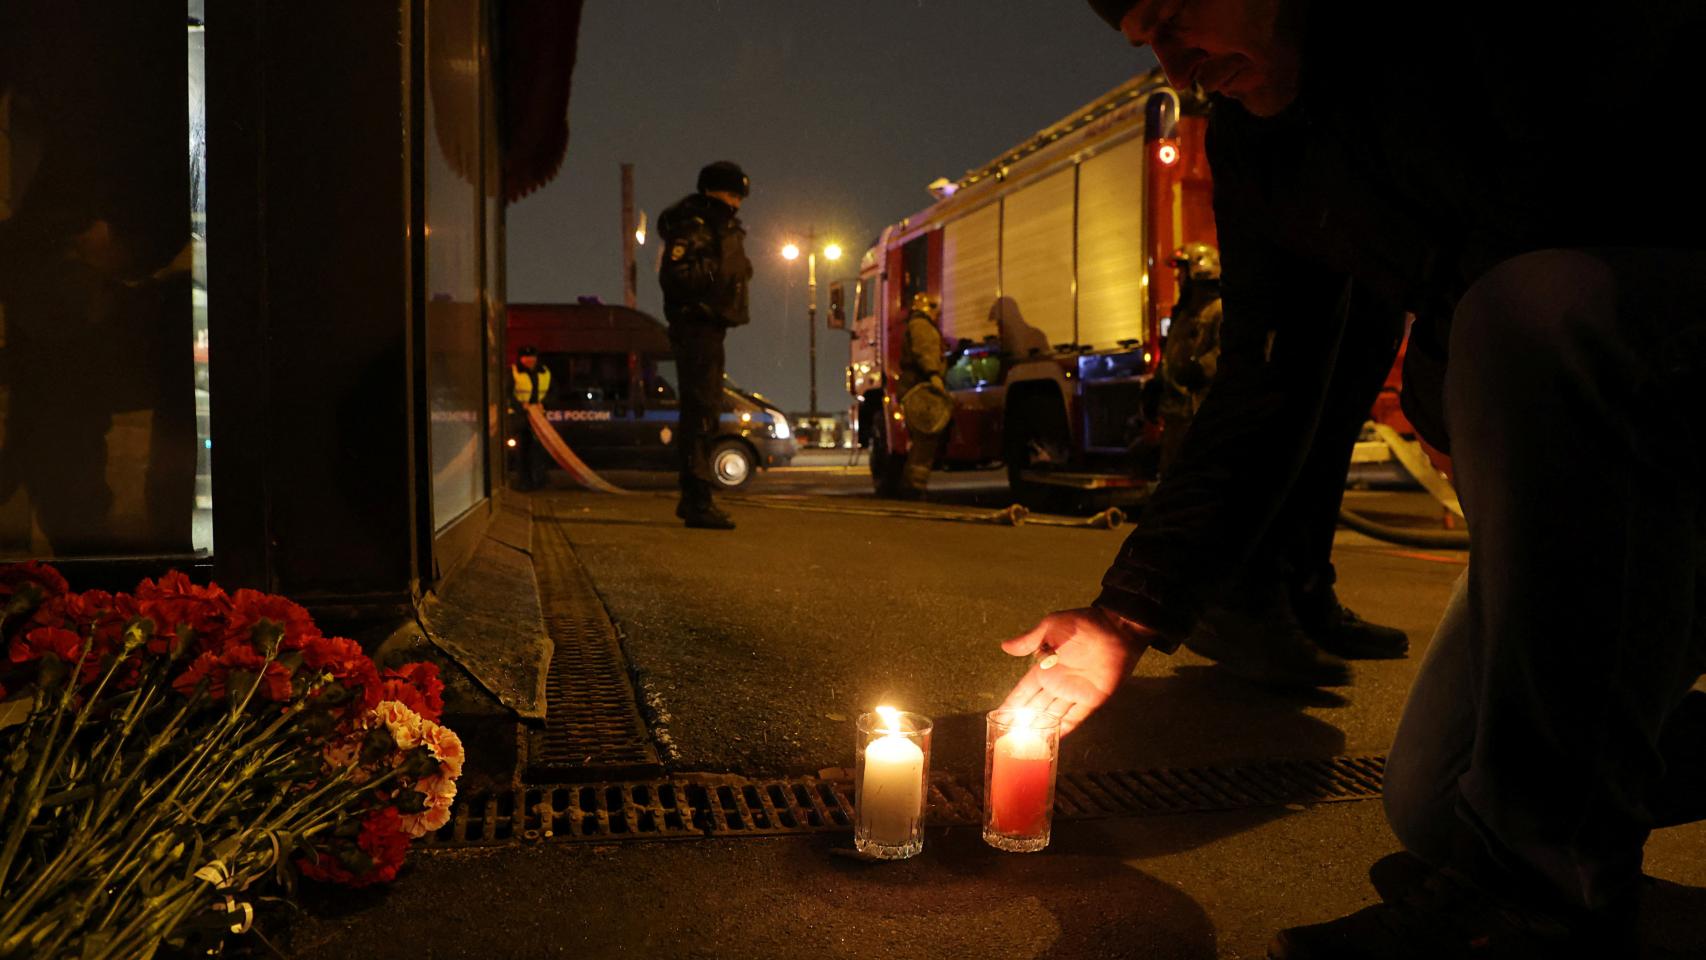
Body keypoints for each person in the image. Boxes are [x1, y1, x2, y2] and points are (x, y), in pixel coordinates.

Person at [1000, 1, 1706, 956]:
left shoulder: (1467, 34)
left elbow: (1574, 211)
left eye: (1178, 13)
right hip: (1578, 473)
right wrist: (1125, 617)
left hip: (1661, 381)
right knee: (1438, 799)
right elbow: (1264, 386)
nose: (1176, 62)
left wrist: (1464, 371)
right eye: (1145, 40)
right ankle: (1552, 817)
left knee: (1534, 310)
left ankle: (1542, 906)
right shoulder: (1263, 145)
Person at [657, 161, 753, 530]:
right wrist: (718, 274)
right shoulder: (695, 226)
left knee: (705, 409)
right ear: (713, 191)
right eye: (732, 194)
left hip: (710, 325)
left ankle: (694, 497)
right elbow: (676, 277)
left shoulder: (715, 224)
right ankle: (697, 499)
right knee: (700, 410)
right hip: (697, 324)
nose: (737, 203)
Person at [1157, 243, 1223, 475]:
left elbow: (1222, 352)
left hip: (1201, 412)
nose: (1178, 278)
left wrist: (1200, 369)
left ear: (1199, 272)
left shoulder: (1218, 310)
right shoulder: (1186, 313)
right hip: (1178, 414)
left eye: (1182, 271)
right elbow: (1172, 353)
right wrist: (1158, 382)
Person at [894, 293, 951, 499]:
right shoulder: (921, 325)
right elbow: (925, 351)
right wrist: (934, 375)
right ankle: (914, 487)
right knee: (925, 439)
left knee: (921, 440)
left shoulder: (915, 324)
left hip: (913, 388)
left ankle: (910, 484)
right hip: (921, 388)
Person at [509, 345, 552, 491]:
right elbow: (506, 394)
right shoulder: (513, 372)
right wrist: (521, 406)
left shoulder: (544, 372)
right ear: (520, 358)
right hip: (520, 417)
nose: (529, 360)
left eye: (532, 357)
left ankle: (540, 479)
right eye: (526, 357)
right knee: (523, 450)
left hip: (539, 416)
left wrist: (544, 404)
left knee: (540, 449)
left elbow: (552, 392)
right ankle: (524, 482)